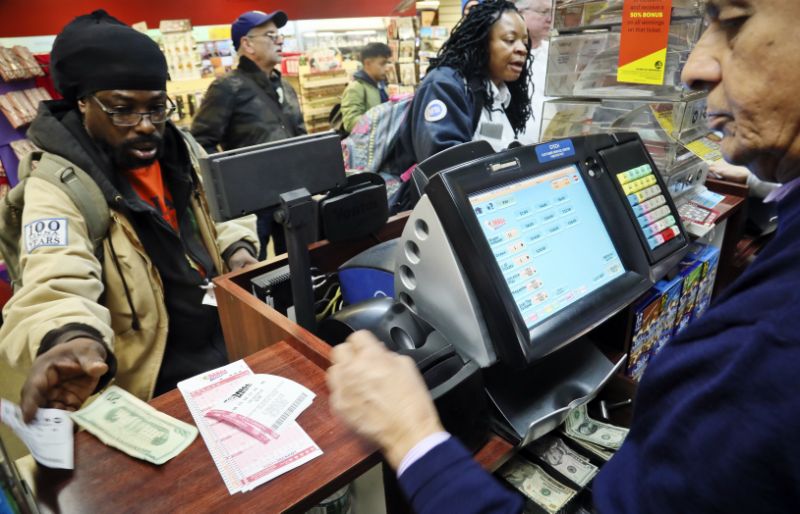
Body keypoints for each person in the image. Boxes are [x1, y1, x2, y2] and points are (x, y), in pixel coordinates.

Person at [327, 1, 800, 512]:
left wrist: (413, 438)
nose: (693, 68)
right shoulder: (450, 85)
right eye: (507, 39)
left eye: (732, 22)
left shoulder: (772, 342)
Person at [0, 10, 258, 426]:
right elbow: (54, 279)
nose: (145, 127)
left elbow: (226, 211)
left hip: (225, 341)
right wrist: (70, 338)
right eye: (123, 110)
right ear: (82, 102)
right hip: (151, 379)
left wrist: (239, 249)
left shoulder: (184, 149)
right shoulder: (57, 186)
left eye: (157, 108)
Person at [191, 10, 306, 260]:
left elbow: (300, 134)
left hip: (291, 194)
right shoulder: (226, 87)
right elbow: (201, 142)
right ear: (247, 44)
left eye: (279, 34)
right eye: (271, 34)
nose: (280, 40)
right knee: (256, 269)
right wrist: (234, 179)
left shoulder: (285, 86)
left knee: (299, 264)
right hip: (252, 204)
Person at [393, 0, 531, 173]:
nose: (522, 49)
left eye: (524, 42)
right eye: (510, 40)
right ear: (482, 41)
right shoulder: (444, 85)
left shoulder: (500, 92)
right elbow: (443, 167)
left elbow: (494, 140)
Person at [514, 0, 553, 144]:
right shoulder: (505, 57)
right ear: (519, 13)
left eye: (551, 12)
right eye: (543, 12)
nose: (549, 18)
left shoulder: (556, 52)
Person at [340, 42, 392, 134]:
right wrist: (382, 121)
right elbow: (350, 123)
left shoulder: (379, 85)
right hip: (370, 146)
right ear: (367, 63)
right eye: (382, 63)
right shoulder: (355, 88)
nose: (387, 68)